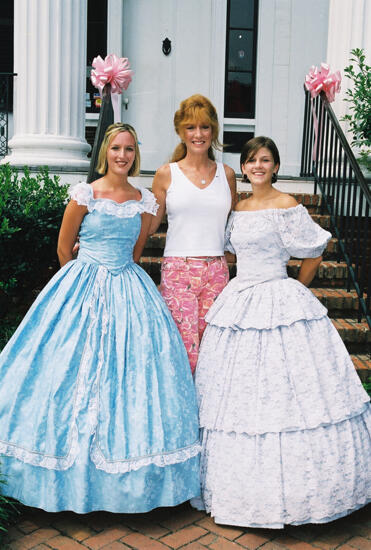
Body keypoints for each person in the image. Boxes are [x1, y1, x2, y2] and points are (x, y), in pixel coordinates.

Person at [0, 123, 201, 514]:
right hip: (82, 285)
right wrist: (83, 285)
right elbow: (63, 248)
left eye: (129, 149)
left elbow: (137, 250)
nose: (122, 156)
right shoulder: (84, 194)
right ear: (104, 153)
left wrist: (117, 282)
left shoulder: (145, 200)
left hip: (129, 289)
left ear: (134, 154)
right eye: (115, 149)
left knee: (135, 376)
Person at [192, 136, 371, 527]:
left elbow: (314, 250)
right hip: (239, 298)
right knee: (237, 394)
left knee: (288, 390)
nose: (258, 166)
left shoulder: (288, 205)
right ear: (243, 167)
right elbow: (230, 253)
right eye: (252, 160)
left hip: (277, 294)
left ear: (275, 166)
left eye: (266, 160)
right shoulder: (238, 209)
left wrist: (296, 287)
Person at [151, 94, 236, 373]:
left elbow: (235, 227)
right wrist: (97, 238)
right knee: (183, 347)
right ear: (180, 132)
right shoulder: (166, 174)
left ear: (213, 130)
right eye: (191, 127)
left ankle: (209, 413)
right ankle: (182, 411)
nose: (198, 134)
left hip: (217, 270)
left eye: (204, 127)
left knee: (213, 345)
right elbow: (149, 225)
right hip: (179, 270)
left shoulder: (227, 174)